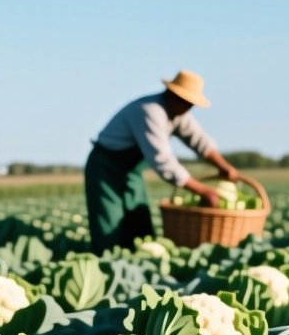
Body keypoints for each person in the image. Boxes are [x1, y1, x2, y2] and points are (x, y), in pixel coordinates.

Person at [85, 70, 239, 252]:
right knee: (109, 224)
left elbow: (200, 141)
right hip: (105, 169)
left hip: (130, 173)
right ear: (172, 94)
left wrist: (223, 166)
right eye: (187, 102)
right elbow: (163, 161)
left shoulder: (178, 113)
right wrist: (203, 191)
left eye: (191, 104)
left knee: (139, 223)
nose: (189, 108)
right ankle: (106, 264)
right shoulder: (150, 111)